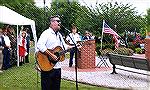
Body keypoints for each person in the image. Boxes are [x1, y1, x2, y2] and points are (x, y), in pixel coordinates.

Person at [37, 16, 72, 90]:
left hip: (57, 67)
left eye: (60, 21)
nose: (60, 22)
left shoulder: (59, 35)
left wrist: (74, 46)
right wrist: (51, 55)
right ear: (52, 23)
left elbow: (64, 47)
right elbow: (39, 45)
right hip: (47, 65)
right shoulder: (46, 33)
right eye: (58, 21)